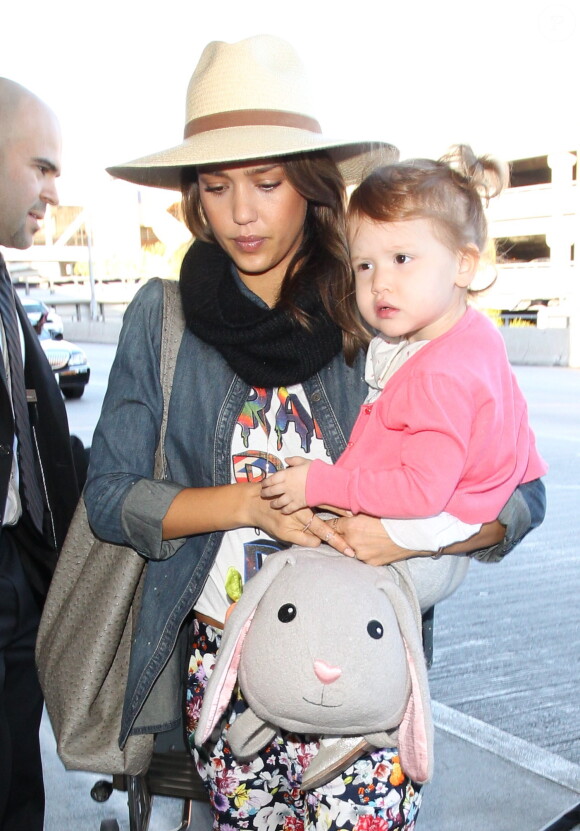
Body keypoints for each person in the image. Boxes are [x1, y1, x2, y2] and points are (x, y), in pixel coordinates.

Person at [85, 36, 546, 831]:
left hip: (363, 675)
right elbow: (110, 497)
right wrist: (247, 506)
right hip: (228, 666)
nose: (241, 211)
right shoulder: (160, 319)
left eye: (267, 182)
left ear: (310, 187)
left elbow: (522, 492)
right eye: (217, 185)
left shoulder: (385, 312)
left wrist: (413, 539)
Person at [261, 147, 548, 563]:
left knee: (318, 577)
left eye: (401, 259)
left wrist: (322, 484)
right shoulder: (470, 333)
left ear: (463, 265)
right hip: (474, 500)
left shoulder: (437, 373)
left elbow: (422, 490)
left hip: (441, 516)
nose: (380, 283)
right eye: (364, 265)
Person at [0, 79, 79, 831]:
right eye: (43, 166)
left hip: (16, 575)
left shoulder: (2, 285)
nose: (56, 189)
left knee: (17, 787)